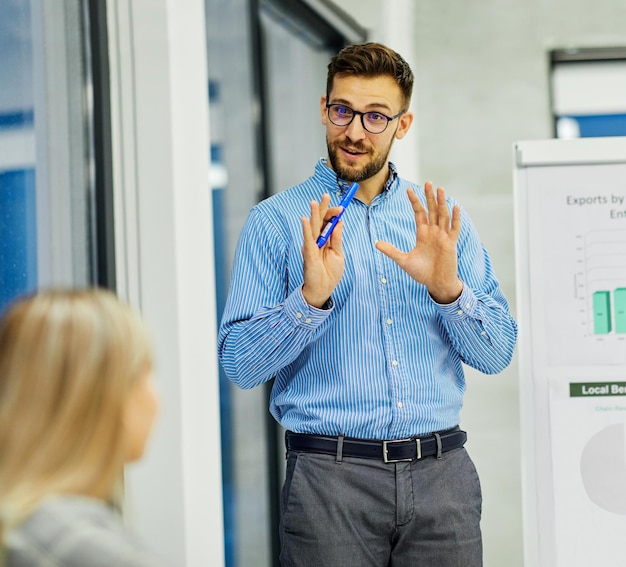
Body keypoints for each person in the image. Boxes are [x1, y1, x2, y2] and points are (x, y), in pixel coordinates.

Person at [218, 42, 518, 566]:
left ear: (402, 125)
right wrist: (309, 300)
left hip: (442, 479)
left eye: (376, 116)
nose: (355, 131)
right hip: (328, 483)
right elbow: (240, 366)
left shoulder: (440, 223)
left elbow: (496, 354)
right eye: (343, 111)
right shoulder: (275, 222)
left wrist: (448, 291)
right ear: (323, 108)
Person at [0, 289, 166, 567]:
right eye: (144, 374)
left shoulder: (23, 529)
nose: (155, 397)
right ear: (99, 397)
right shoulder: (77, 547)